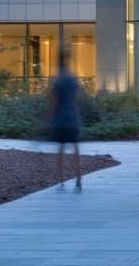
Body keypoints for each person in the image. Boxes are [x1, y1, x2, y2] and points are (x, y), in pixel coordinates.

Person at [47, 46, 82, 190]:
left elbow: (54, 101)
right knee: (75, 148)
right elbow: (76, 99)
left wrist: (48, 116)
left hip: (60, 118)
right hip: (72, 117)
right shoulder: (73, 78)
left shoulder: (58, 79)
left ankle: (61, 180)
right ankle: (78, 178)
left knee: (61, 148)